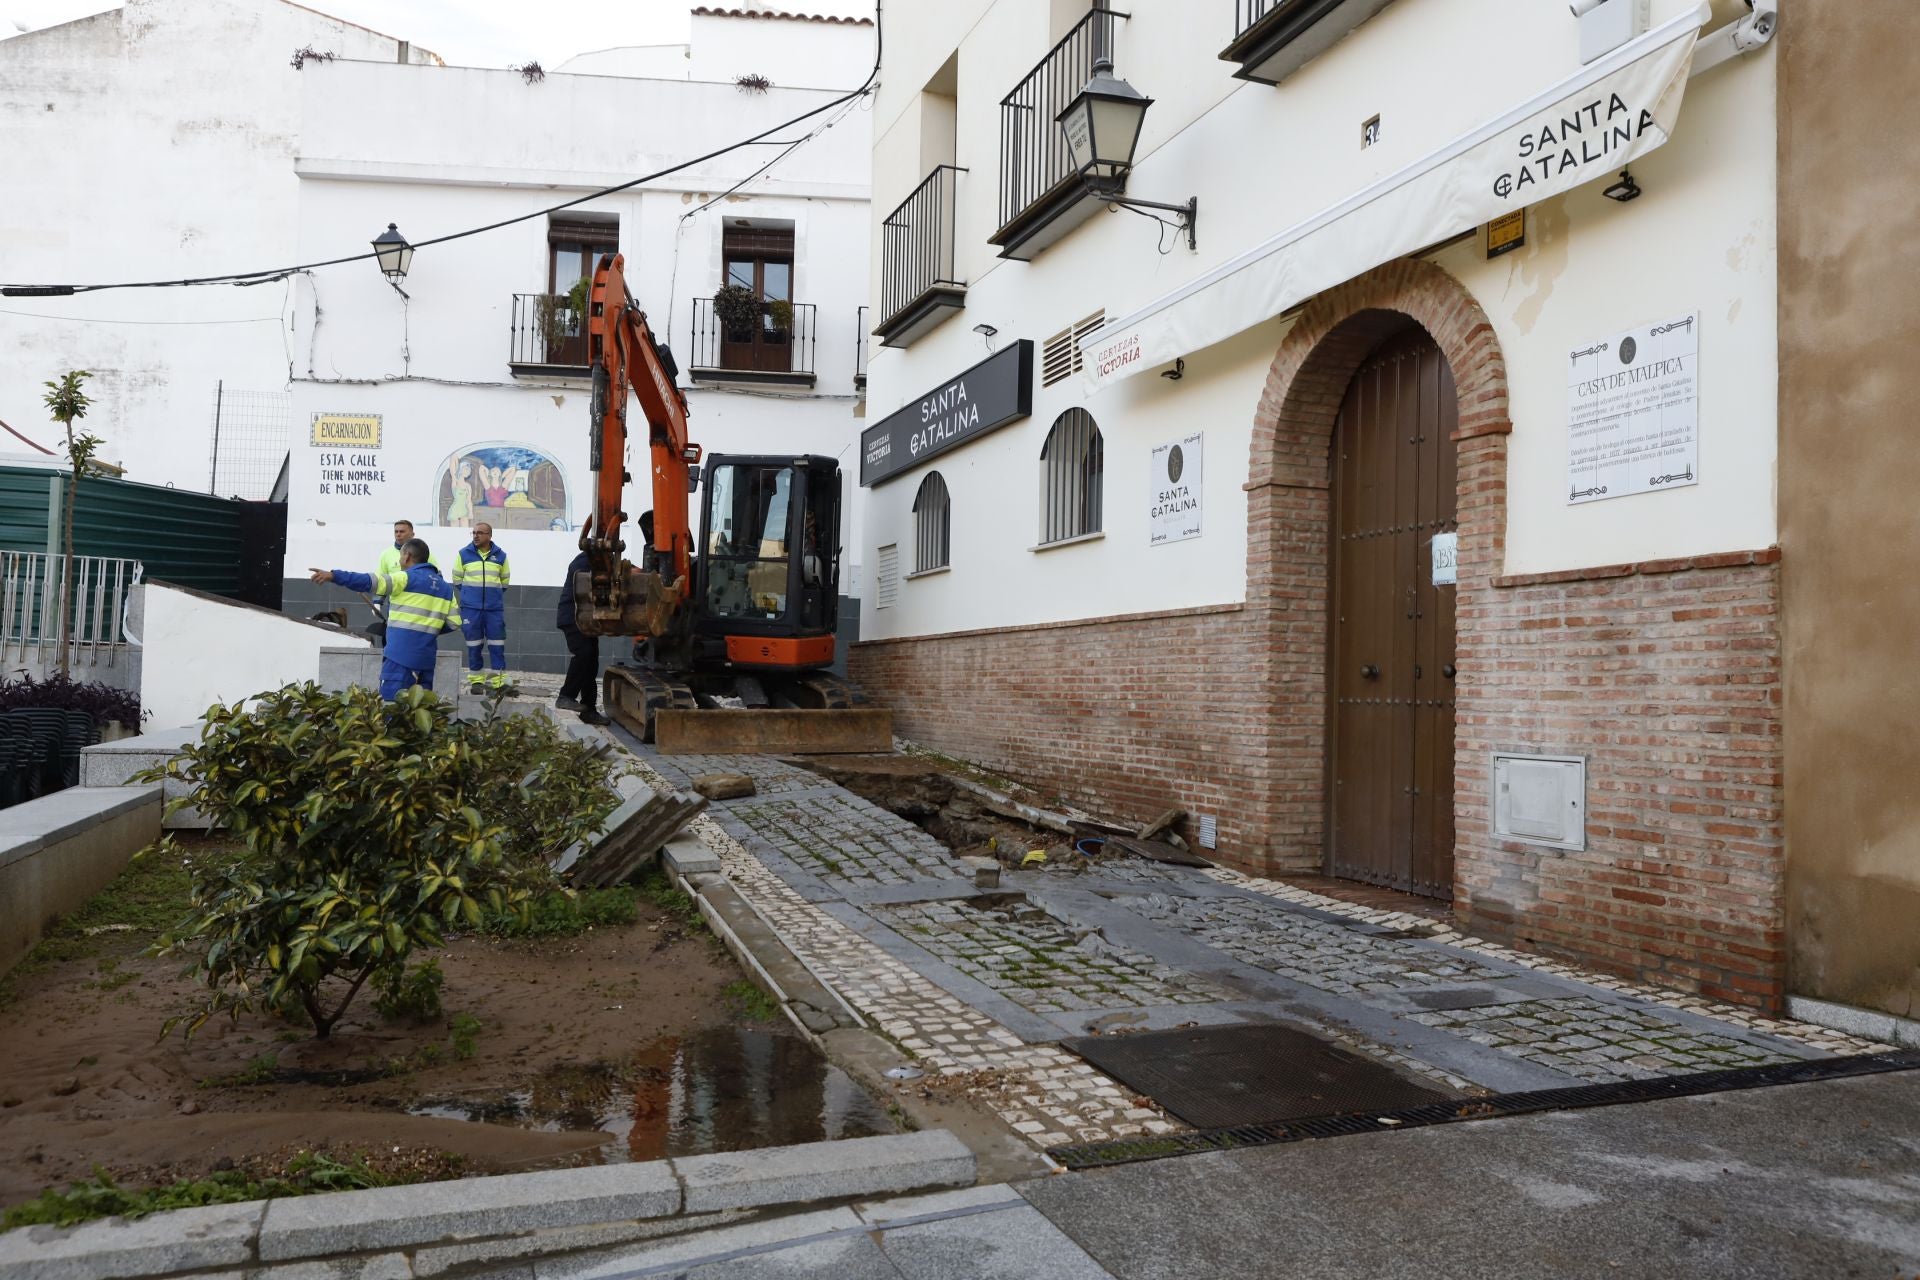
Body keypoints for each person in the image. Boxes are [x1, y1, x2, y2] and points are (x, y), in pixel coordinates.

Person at [310, 538, 459, 700]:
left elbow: (370, 581)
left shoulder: (405, 578)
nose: (400, 561)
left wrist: (334, 575)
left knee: (392, 708)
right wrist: (428, 630)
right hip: (426, 661)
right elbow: (454, 622)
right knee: (420, 709)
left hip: (399, 658)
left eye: (400, 556)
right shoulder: (446, 589)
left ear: (407, 556)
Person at [453, 521, 512, 694]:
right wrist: (470, 596)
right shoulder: (463, 554)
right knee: (474, 646)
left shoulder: (501, 556)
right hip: (471, 609)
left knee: (497, 646)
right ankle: (477, 681)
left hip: (494, 610)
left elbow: (504, 582)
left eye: (480, 533)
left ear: (489, 536)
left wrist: (492, 597)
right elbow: (457, 579)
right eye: (474, 532)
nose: (476, 535)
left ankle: (498, 683)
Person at [555, 548, 607, 725]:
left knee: (591, 662)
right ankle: (566, 696)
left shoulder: (594, 562)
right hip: (573, 617)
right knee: (584, 654)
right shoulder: (583, 561)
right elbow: (586, 583)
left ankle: (589, 709)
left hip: (585, 619)